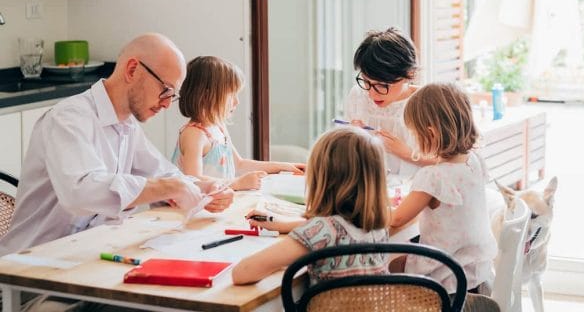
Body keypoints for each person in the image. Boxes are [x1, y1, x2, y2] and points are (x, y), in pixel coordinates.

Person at [0, 33, 234, 256]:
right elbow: (80, 192)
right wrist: (168, 188)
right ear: (132, 70)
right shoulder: (68, 118)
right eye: (166, 90)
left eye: (172, 95)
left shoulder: (127, 126)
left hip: (83, 256)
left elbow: (165, 174)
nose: (166, 105)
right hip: (31, 269)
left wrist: (206, 188)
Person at [232, 127, 390, 285]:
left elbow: (242, 273)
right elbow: (336, 225)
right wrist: (280, 224)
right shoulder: (377, 224)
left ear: (321, 179)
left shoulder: (321, 232)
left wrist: (277, 263)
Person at [390, 83, 497, 295]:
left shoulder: (432, 178)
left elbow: (396, 220)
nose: (413, 139)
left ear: (430, 133)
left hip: (445, 276)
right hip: (475, 270)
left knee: (389, 265)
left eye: (413, 133)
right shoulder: (473, 161)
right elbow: (445, 169)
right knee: (399, 262)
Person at [171, 56, 304, 190]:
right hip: (194, 208)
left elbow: (239, 164)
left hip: (216, 204)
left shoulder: (219, 127)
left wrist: (283, 166)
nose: (236, 101)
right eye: (231, 94)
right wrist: (238, 183)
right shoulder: (194, 135)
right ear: (207, 96)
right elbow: (193, 179)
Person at [343, 27, 432, 177]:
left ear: (409, 74)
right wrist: (351, 137)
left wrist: (405, 152)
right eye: (366, 81)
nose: (371, 93)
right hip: (367, 185)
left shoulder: (427, 103)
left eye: (381, 85)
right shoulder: (358, 96)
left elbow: (451, 162)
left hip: (414, 191)